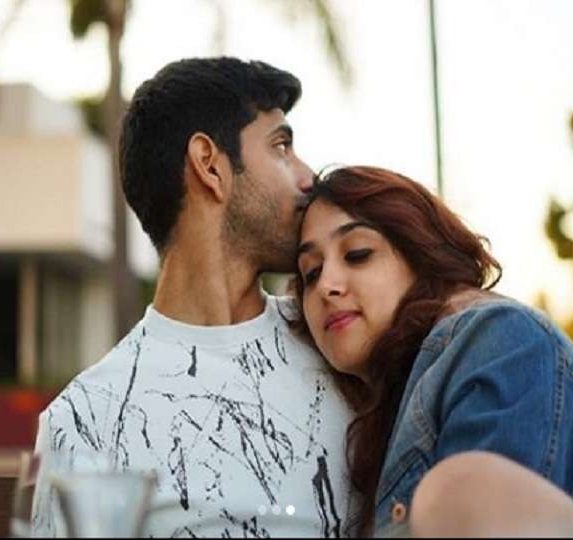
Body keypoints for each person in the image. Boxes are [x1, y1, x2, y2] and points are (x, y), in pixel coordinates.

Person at [31, 58, 353, 538]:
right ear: (210, 164)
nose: (309, 177)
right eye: (281, 146)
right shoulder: (86, 419)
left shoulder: (341, 338)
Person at [294, 165, 573, 537]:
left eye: (358, 253)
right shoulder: (371, 419)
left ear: (420, 254)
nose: (326, 285)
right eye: (310, 272)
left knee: (456, 490)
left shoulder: (500, 337)